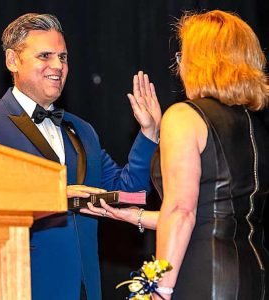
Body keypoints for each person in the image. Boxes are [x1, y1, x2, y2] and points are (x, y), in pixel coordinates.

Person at [0, 13, 162, 300]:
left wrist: (148, 133)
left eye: (63, 57)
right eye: (45, 56)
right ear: (12, 61)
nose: (58, 66)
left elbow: (126, 193)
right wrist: (54, 194)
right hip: (18, 286)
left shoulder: (81, 130)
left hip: (86, 289)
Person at [81, 10, 269, 299]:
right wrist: (136, 216)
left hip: (203, 272)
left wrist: (158, 286)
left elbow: (182, 211)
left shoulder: (184, 115)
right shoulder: (254, 123)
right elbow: (213, 213)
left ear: (200, 60)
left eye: (182, 56)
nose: (178, 65)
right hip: (253, 272)